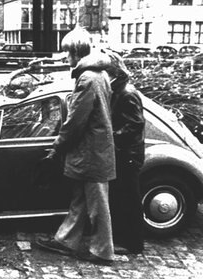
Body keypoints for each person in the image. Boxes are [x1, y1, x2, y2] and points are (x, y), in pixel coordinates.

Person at [36, 27, 116, 265]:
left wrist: (58, 146)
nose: (66, 57)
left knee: (97, 204)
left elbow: (75, 122)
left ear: (75, 52)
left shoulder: (87, 78)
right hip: (94, 149)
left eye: (67, 53)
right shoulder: (99, 75)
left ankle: (103, 251)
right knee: (81, 199)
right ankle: (65, 240)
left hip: (91, 151)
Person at [104, 49, 146, 255]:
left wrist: (112, 136)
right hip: (124, 152)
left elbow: (135, 124)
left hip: (129, 154)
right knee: (122, 197)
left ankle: (134, 243)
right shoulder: (119, 90)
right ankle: (125, 238)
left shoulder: (127, 93)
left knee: (129, 198)